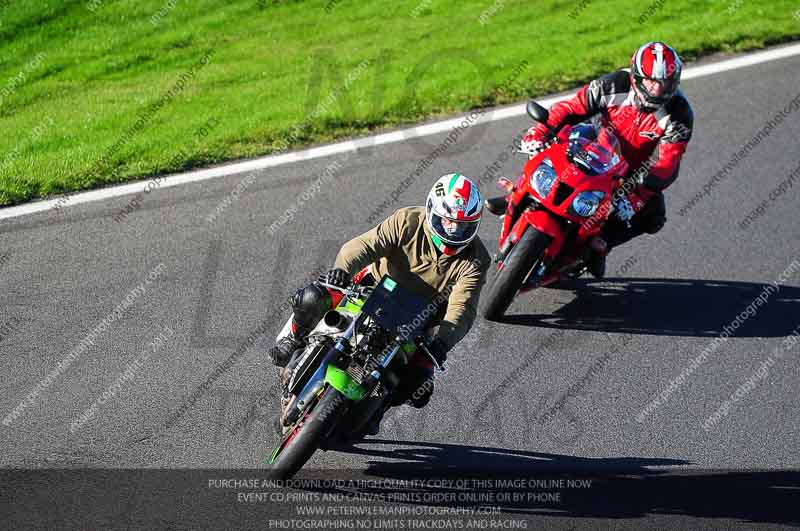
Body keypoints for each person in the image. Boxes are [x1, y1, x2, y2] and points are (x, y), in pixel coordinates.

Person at [269, 173, 491, 431]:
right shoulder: (407, 220)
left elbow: (463, 306)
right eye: (447, 222)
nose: (453, 230)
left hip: (418, 320)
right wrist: (342, 270)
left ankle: (376, 407)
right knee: (313, 297)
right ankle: (294, 339)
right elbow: (366, 245)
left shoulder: (476, 259)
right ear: (432, 211)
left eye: (462, 226)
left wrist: (443, 342)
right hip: (372, 287)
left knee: (419, 386)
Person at [485, 41, 693, 278]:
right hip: (591, 143)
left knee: (654, 216)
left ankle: (601, 245)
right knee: (549, 146)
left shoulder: (679, 114)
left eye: (664, 83)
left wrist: (638, 193)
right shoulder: (614, 84)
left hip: (629, 174)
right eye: (651, 82)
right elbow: (572, 107)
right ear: (636, 76)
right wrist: (541, 132)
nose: (656, 90)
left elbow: (669, 162)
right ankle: (518, 194)